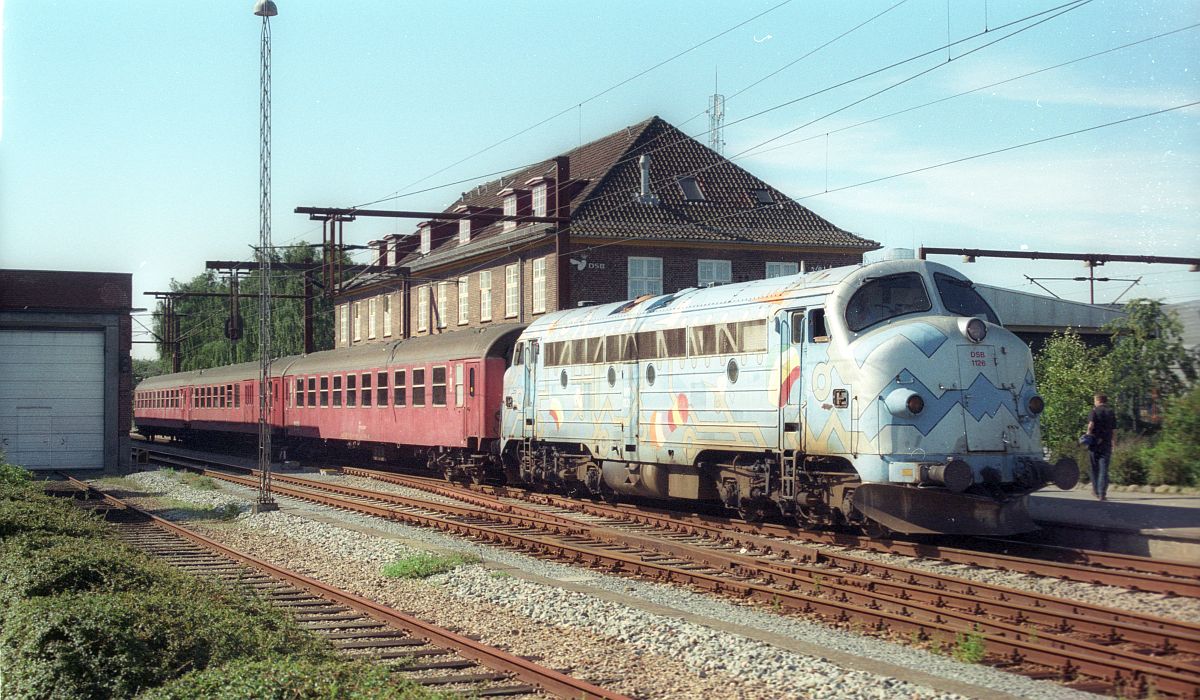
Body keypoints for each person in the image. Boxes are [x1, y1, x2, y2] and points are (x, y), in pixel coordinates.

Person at [1086, 394, 1117, 501]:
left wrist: (1088, 436)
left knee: (1094, 468)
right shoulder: (1111, 412)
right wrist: (1113, 443)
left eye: (1094, 400)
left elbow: (1091, 425)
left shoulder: (1094, 411)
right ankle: (1102, 493)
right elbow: (1113, 430)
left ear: (1098, 401)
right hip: (1106, 443)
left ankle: (1095, 490)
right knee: (1104, 469)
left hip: (1094, 443)